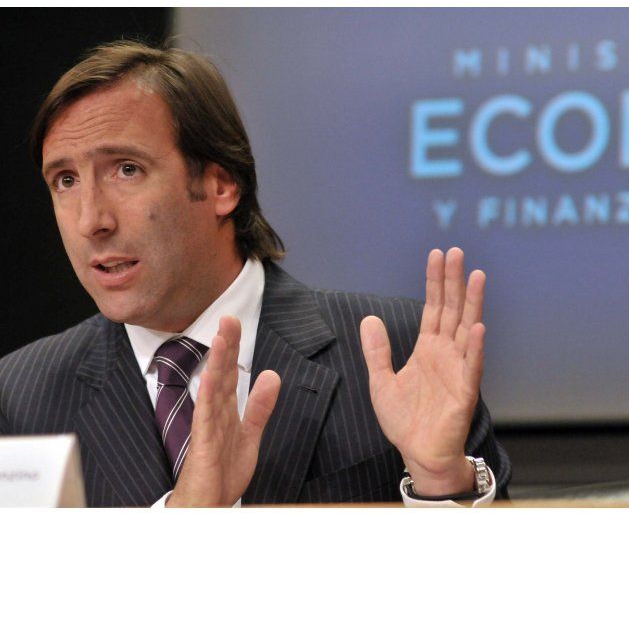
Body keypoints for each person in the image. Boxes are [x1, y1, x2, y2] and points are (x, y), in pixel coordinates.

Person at [0, 41, 511, 507]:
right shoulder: (23, 397)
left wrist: (441, 482)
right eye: (65, 181)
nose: (91, 221)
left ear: (221, 185)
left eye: (126, 170)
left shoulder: (391, 348)